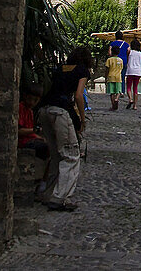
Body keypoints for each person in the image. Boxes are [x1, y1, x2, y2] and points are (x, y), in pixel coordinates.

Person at [38, 46, 91, 211]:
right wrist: (82, 120)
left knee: (55, 155)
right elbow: (78, 95)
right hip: (61, 112)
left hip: (45, 110)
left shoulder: (60, 68)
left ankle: (47, 193)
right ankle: (60, 197)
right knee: (71, 155)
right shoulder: (82, 70)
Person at [18, 85, 48, 158]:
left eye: (35, 100)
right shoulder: (20, 108)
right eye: (29, 99)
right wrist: (36, 130)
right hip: (22, 142)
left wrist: (39, 137)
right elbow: (19, 131)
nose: (31, 102)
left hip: (29, 139)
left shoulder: (30, 111)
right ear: (25, 96)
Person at [125, 37, 141, 109]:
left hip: (130, 71)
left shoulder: (130, 52)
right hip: (138, 72)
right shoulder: (140, 54)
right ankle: (135, 105)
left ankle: (130, 99)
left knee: (128, 87)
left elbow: (127, 60)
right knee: (135, 88)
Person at [109, 29, 130, 98]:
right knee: (122, 77)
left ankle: (114, 91)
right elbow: (128, 51)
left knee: (115, 75)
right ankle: (122, 91)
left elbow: (109, 53)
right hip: (123, 61)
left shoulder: (112, 44)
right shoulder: (126, 44)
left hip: (114, 61)